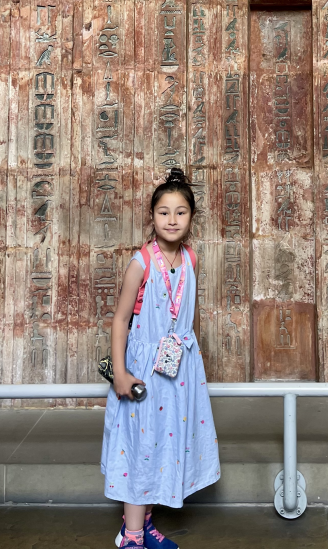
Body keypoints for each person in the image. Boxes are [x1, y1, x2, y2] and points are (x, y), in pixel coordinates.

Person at [101, 168, 220, 548]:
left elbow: (187, 311)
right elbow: (121, 319)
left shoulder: (191, 260)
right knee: (141, 446)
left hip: (180, 368)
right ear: (152, 217)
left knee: (164, 444)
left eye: (181, 212)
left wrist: (192, 357)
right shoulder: (142, 262)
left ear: (191, 218)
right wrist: (120, 373)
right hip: (144, 368)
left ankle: (144, 524)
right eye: (164, 212)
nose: (172, 219)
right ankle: (131, 537)